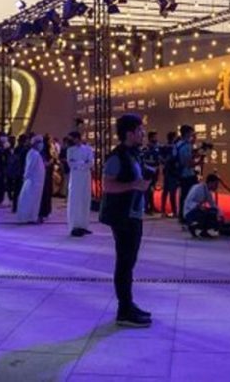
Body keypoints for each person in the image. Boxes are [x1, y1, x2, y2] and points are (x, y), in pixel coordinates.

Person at [100, 113, 152, 328]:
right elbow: (107, 185)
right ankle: (124, 310)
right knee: (124, 262)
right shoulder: (117, 156)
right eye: (140, 130)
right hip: (122, 216)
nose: (143, 134)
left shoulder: (134, 154)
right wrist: (133, 185)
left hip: (133, 214)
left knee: (129, 262)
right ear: (129, 133)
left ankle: (128, 304)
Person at [66, 131, 95, 237]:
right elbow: (70, 163)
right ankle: (74, 226)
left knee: (85, 200)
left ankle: (84, 226)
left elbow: (90, 162)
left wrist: (80, 164)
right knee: (75, 201)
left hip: (85, 177)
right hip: (75, 178)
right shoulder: (70, 150)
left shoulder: (88, 149)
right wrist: (82, 163)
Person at [15, 135, 47, 223]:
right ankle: (28, 217)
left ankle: (32, 217)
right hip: (33, 181)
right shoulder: (33, 154)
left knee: (34, 200)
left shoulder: (35, 153)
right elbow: (29, 167)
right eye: (39, 142)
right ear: (35, 144)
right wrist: (26, 177)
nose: (41, 144)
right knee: (29, 200)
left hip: (36, 182)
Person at [183, 174, 223, 238]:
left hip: (196, 210)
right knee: (205, 213)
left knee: (213, 211)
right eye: (215, 184)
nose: (216, 186)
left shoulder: (207, 192)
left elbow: (213, 204)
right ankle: (195, 227)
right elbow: (188, 202)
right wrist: (197, 206)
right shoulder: (198, 188)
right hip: (189, 212)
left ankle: (204, 230)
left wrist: (220, 214)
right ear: (210, 183)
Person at [175, 126, 198, 226]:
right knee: (190, 196)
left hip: (180, 174)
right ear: (187, 133)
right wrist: (198, 162)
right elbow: (188, 163)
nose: (192, 135)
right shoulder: (186, 146)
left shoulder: (178, 144)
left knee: (183, 196)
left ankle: (182, 215)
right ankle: (187, 216)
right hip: (187, 174)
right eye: (191, 133)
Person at [160, 131, 180, 218]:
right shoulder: (174, 147)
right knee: (172, 192)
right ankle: (174, 212)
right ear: (173, 138)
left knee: (165, 192)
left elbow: (161, 158)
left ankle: (163, 211)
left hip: (167, 172)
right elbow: (174, 158)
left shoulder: (164, 147)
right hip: (172, 172)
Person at [141, 132, 161, 215]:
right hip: (147, 173)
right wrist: (151, 168)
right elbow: (143, 161)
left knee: (152, 190)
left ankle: (152, 206)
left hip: (154, 172)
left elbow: (158, 160)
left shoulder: (157, 149)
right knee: (147, 190)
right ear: (151, 138)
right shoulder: (145, 149)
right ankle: (147, 208)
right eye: (155, 137)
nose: (156, 139)